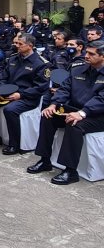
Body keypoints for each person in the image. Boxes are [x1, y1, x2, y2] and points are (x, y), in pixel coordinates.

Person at [27, 41, 104, 185]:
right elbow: (65, 89)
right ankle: (44, 160)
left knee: (74, 124)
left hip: (97, 115)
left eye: (91, 54)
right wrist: (54, 104)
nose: (86, 56)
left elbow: (101, 100)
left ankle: (70, 171)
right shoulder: (78, 69)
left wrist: (82, 113)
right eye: (86, 52)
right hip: (75, 109)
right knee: (48, 116)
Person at [0, 33, 51, 155]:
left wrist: (21, 95)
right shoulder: (13, 58)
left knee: (10, 110)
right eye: (16, 43)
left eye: (20, 44)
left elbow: (41, 87)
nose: (16, 45)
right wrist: (0, 91)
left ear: (30, 46)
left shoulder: (41, 63)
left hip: (27, 97)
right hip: (7, 93)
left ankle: (15, 144)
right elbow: (2, 77)